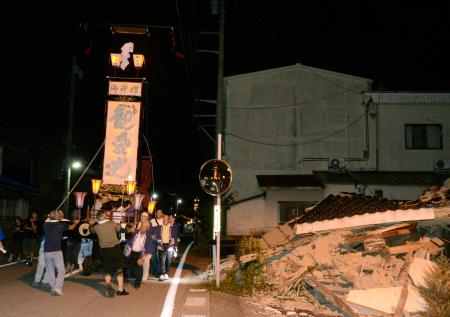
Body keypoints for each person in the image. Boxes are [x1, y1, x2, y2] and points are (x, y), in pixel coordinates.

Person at [89, 210, 129, 297]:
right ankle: (120, 290)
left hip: (104, 251)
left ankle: (108, 284)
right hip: (115, 250)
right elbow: (121, 230)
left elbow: (90, 230)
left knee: (108, 270)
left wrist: (93, 223)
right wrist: (124, 226)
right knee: (119, 270)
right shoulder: (112, 223)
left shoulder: (96, 227)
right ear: (105, 215)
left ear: (98, 218)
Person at [43, 210, 78, 296]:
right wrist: (76, 223)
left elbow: (47, 221)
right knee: (61, 270)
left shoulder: (45, 225)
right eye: (58, 215)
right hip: (56, 251)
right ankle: (57, 288)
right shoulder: (60, 225)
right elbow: (71, 227)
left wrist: (50, 218)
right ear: (57, 217)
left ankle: (53, 287)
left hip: (47, 251)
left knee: (50, 270)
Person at [125, 221, 155, 289]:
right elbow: (125, 235)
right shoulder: (135, 232)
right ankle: (125, 278)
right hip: (130, 251)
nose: (142, 227)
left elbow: (148, 247)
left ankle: (137, 284)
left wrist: (143, 258)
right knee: (125, 265)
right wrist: (125, 229)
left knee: (139, 268)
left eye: (144, 227)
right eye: (142, 226)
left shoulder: (148, 237)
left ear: (147, 229)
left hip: (139, 254)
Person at [156, 214, 179, 281]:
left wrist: (176, 246)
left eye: (166, 219)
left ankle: (166, 273)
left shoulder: (172, 227)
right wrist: (157, 240)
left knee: (168, 261)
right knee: (162, 260)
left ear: (168, 220)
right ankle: (162, 274)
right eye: (164, 219)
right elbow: (156, 236)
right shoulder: (160, 227)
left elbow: (175, 237)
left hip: (170, 246)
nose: (164, 220)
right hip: (161, 245)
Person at [150, 208, 164, 277]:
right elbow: (149, 230)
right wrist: (152, 236)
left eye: (160, 212)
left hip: (160, 241)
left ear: (162, 213)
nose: (158, 214)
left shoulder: (163, 220)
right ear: (156, 213)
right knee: (153, 257)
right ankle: (156, 270)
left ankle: (159, 271)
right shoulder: (152, 220)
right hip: (153, 241)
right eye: (157, 212)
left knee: (159, 257)